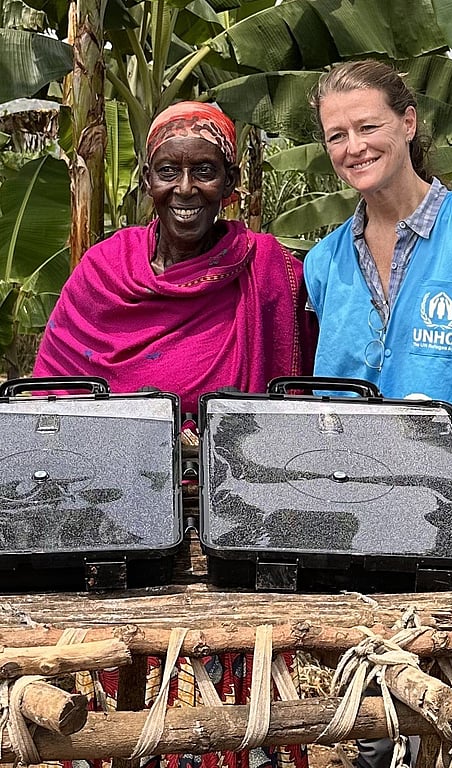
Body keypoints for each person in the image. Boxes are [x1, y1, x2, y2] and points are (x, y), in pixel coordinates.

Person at [33, 100, 316, 768]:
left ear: (229, 182)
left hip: (238, 520)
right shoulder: (104, 272)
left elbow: (293, 395)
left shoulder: (266, 268)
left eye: (205, 171)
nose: (186, 189)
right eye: (169, 171)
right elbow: (52, 399)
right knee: (117, 704)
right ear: (146, 179)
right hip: (117, 523)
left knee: (233, 713)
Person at [303, 59, 452, 768]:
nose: (353, 146)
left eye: (368, 126)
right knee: (367, 733)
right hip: (354, 539)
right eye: (337, 135)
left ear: (409, 122)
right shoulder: (324, 262)